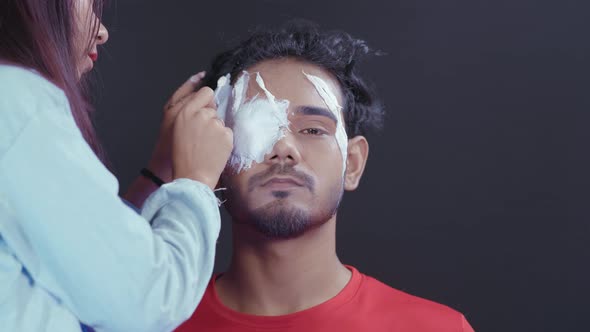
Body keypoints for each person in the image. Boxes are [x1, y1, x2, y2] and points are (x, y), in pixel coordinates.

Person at [177, 22, 475, 332]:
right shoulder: (151, 322)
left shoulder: (437, 328)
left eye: (313, 130)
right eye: (256, 128)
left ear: (354, 163)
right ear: (213, 155)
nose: (283, 148)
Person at [0, 0, 233, 331]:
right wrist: (196, 183)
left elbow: (83, 257)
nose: (103, 32)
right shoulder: (18, 104)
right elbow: (149, 300)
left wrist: (159, 172)